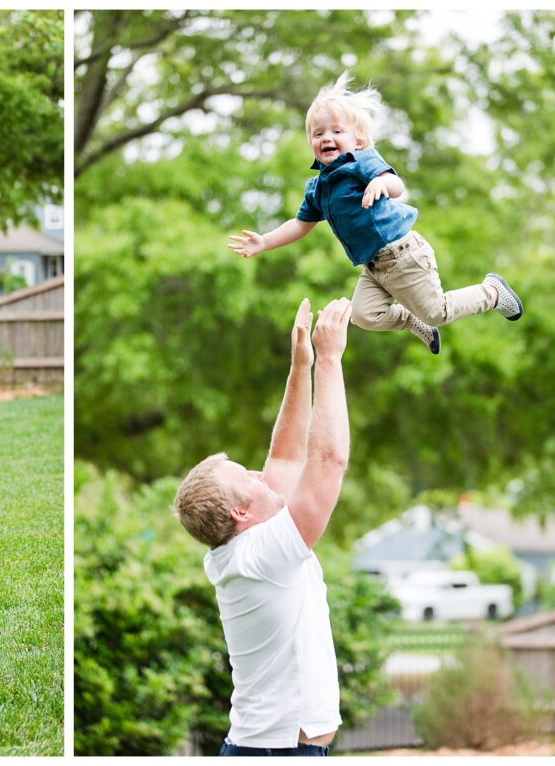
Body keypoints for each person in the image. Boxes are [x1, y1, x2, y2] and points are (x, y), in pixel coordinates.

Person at [227, 71, 523, 355]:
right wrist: (264, 242)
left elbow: (396, 185)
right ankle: (411, 320)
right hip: (374, 266)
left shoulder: (361, 161)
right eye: (318, 133)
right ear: (311, 142)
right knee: (363, 315)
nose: (326, 137)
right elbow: (300, 224)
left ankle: (492, 293)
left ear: (357, 140)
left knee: (437, 312)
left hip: (403, 254)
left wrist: (380, 183)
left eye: (336, 131)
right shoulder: (317, 188)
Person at [173, 297, 353, 757]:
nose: (258, 474)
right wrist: (330, 359)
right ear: (239, 512)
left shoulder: (246, 546)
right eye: (246, 477)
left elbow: (287, 455)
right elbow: (326, 462)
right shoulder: (262, 555)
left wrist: (300, 367)